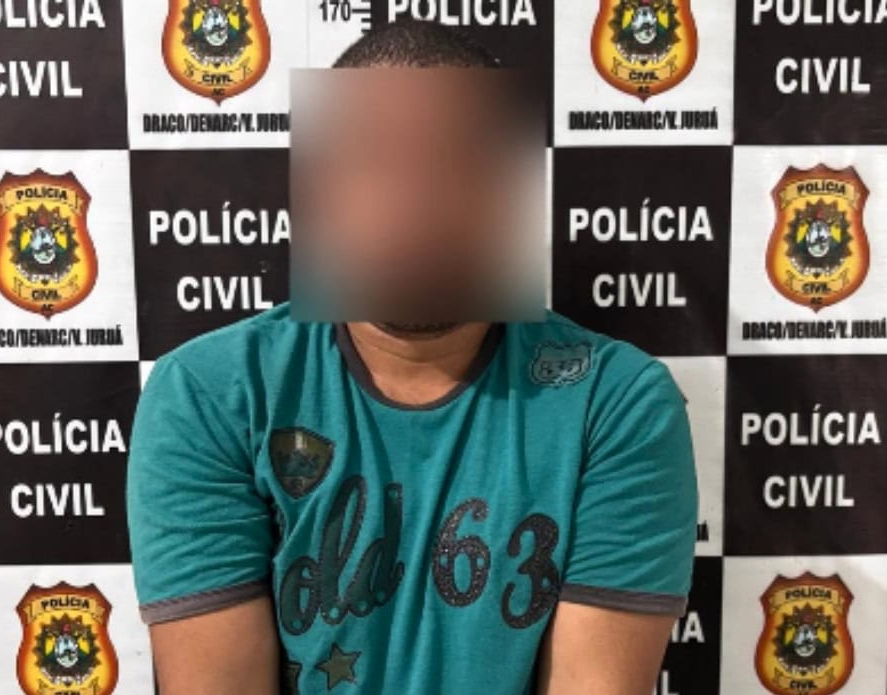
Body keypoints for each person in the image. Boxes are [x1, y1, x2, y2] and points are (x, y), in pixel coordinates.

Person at [126, 18, 698, 695]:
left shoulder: (616, 400)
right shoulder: (211, 393)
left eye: (455, 162)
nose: (416, 199)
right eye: (376, 162)